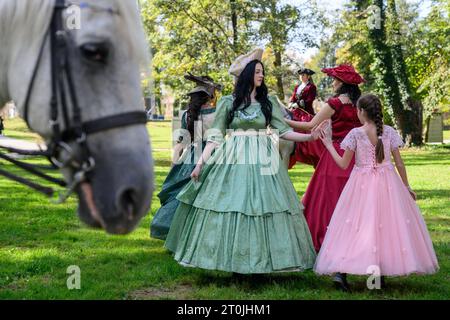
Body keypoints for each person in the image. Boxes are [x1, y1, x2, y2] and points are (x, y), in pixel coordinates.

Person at [165, 48, 319, 274]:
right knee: (231, 204)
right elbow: (216, 137)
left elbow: (283, 131)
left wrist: (310, 136)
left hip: (262, 158)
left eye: (262, 72)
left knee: (263, 206)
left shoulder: (268, 103)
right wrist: (200, 164)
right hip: (232, 157)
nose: (261, 76)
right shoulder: (228, 102)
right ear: (247, 74)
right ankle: (230, 260)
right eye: (257, 71)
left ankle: (264, 260)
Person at [314, 93, 439, 291]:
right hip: (388, 183)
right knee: (386, 225)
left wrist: (329, 144)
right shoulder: (388, 132)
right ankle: (377, 275)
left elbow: (342, 163)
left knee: (354, 225)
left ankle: (342, 272)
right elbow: (399, 163)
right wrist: (406, 187)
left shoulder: (355, 133)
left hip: (360, 184)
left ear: (362, 112)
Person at [285, 64, 365, 252]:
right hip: (357, 156)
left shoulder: (335, 103)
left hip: (335, 153)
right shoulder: (360, 104)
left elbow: (309, 125)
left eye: (336, 79)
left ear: (343, 83)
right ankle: (354, 242)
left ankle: (324, 241)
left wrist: (281, 120)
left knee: (326, 201)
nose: (334, 82)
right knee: (355, 201)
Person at [150, 73, 222, 240]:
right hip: (214, 154)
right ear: (211, 96)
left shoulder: (187, 115)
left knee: (183, 193)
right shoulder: (218, 113)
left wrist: (175, 165)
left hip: (190, 157)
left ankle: (174, 228)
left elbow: (180, 144)